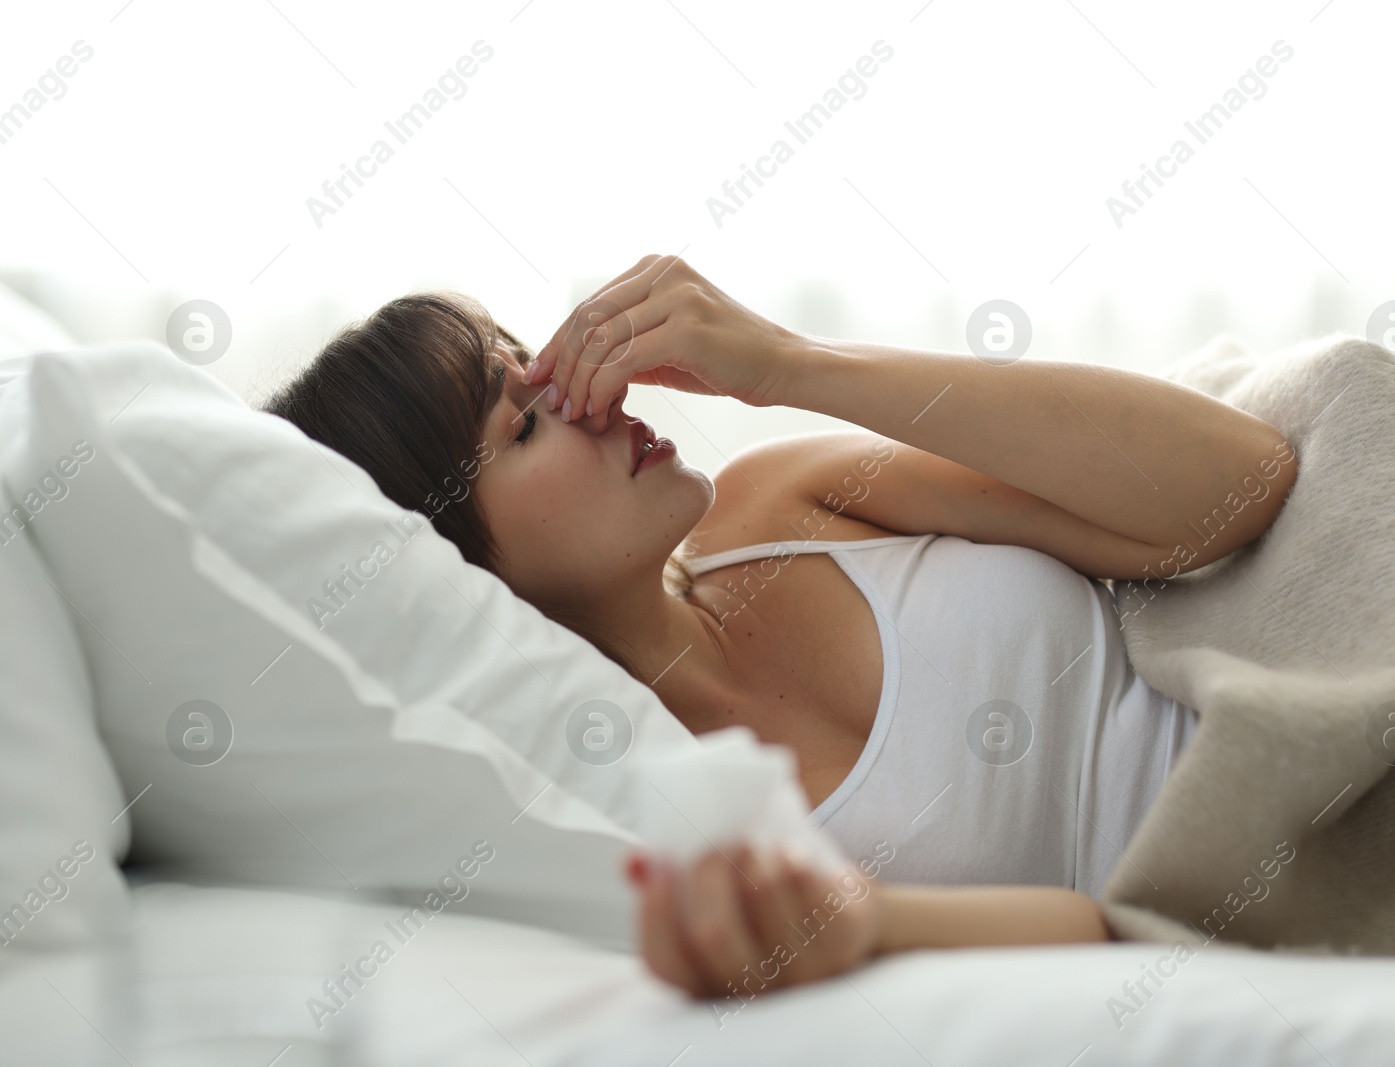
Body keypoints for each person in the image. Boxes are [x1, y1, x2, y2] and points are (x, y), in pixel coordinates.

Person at [262, 254, 1299, 1000]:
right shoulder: (649, 812)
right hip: (1299, 852)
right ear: (450, 565)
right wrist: (864, 922)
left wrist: (785, 363)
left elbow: (1239, 483)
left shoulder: (768, 510)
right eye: (522, 422)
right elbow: (1094, 937)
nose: (590, 396)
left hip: (1319, 660)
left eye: (538, 365)